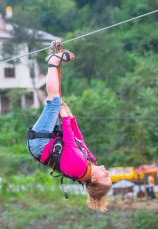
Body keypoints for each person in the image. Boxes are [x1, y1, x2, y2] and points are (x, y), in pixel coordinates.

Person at [27, 42, 112, 211]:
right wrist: (72, 119)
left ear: (94, 180)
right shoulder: (91, 161)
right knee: (57, 99)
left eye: (106, 177)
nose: (107, 173)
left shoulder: (79, 169)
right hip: (51, 140)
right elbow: (79, 140)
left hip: (40, 144)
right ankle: (55, 58)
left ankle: (52, 61)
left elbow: (70, 143)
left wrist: (65, 121)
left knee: (54, 103)